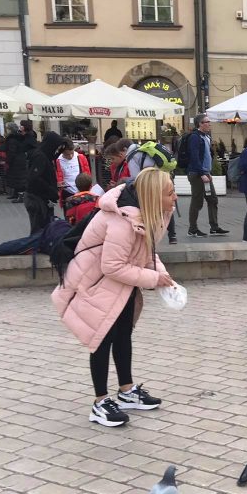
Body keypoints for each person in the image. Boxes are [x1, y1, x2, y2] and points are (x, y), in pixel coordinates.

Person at [51, 167, 175, 428]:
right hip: (96, 284)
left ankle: (126, 391)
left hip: (121, 283)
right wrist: (153, 278)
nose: (175, 197)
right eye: (170, 193)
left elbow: (146, 252)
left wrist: (163, 275)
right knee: (101, 339)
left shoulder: (146, 214)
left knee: (122, 335)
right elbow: (112, 266)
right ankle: (99, 403)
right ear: (153, 196)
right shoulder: (122, 220)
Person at [186, 113, 224, 238]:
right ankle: (192, 229)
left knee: (212, 199)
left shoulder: (206, 137)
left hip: (205, 173)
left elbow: (206, 156)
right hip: (197, 174)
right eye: (207, 122)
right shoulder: (195, 137)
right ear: (200, 124)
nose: (209, 124)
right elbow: (194, 157)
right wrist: (202, 173)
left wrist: (208, 172)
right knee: (197, 202)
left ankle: (214, 227)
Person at [24, 131, 65, 234]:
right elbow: (35, 178)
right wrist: (51, 190)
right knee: (38, 231)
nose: (57, 150)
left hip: (40, 198)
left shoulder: (43, 155)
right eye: (56, 147)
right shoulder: (40, 157)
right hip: (37, 199)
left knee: (43, 229)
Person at [55, 139, 91, 211]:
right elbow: (57, 177)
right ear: (62, 152)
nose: (70, 156)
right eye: (67, 155)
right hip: (68, 192)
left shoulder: (81, 157)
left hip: (82, 191)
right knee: (69, 214)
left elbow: (87, 174)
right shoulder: (58, 161)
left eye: (72, 153)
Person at [3, 123, 29, 202]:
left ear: (10, 130)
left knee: (18, 179)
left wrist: (8, 160)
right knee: (16, 178)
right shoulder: (18, 137)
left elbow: (12, 151)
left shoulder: (12, 139)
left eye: (7, 129)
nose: (6, 130)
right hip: (20, 159)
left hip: (16, 161)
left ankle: (20, 196)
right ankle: (16, 194)